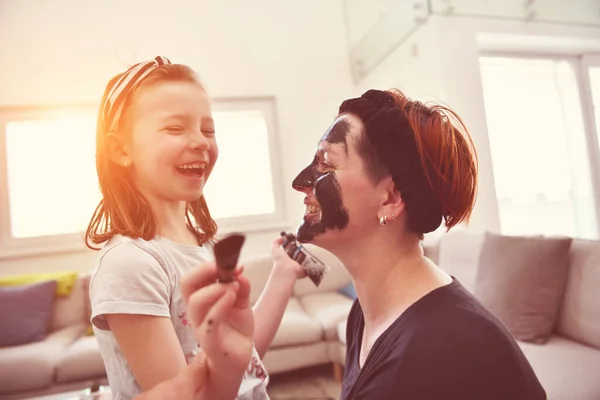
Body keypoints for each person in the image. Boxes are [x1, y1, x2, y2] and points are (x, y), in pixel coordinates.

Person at [288, 88, 546, 399]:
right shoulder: (363, 313)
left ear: (390, 198)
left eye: (326, 164)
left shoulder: (452, 347)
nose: (300, 182)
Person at [85, 56, 305, 400]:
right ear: (120, 148)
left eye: (208, 130)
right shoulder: (130, 264)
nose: (201, 142)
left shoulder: (203, 245)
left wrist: (282, 273)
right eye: (175, 128)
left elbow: (238, 357)